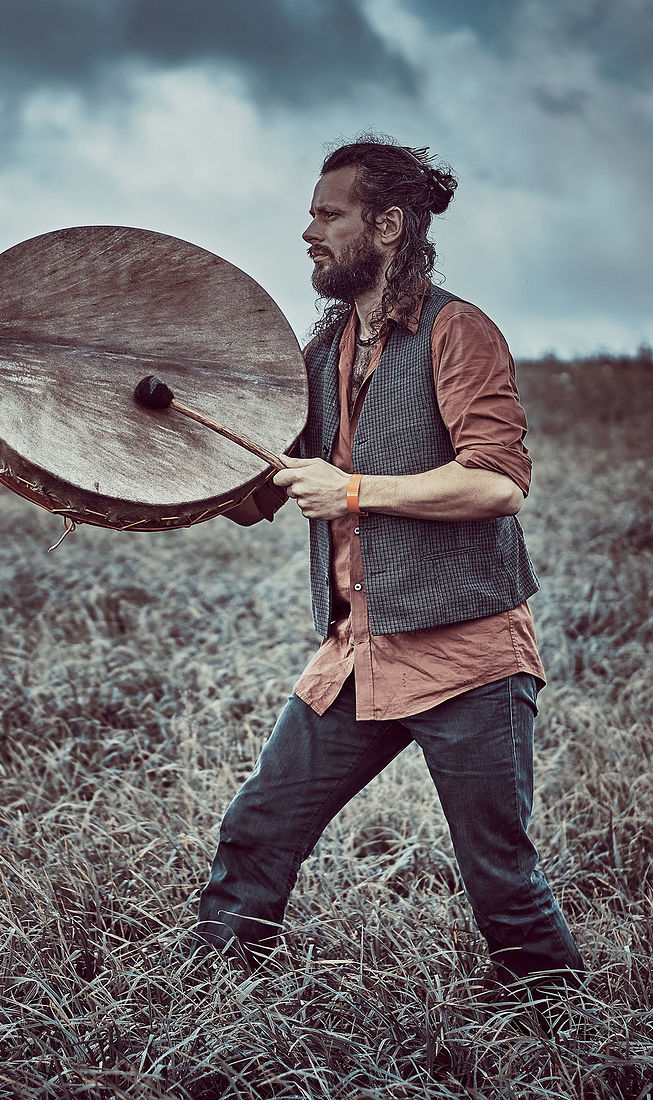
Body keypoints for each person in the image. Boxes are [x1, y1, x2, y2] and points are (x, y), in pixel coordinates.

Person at [195, 137, 585, 988]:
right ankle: (212, 995)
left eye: (328, 214)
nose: (308, 232)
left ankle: (559, 1030)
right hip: (357, 653)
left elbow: (496, 483)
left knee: (498, 875)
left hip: (467, 657)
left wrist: (352, 492)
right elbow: (255, 496)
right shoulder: (321, 354)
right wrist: (150, 463)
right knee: (259, 829)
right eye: (309, 214)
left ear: (387, 225)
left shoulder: (457, 330)